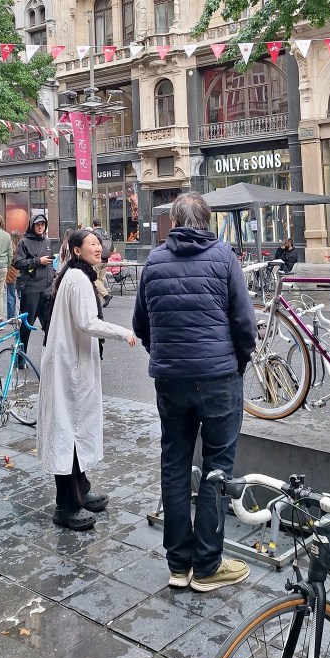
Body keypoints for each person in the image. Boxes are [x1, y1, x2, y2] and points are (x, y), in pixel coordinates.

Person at [132, 191, 257, 592]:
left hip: (170, 380)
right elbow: (244, 323)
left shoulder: (153, 261)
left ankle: (178, 565)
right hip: (219, 378)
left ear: (173, 222)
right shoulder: (224, 257)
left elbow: (141, 324)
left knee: (174, 464)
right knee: (218, 468)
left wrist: (165, 355)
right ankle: (207, 565)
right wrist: (238, 362)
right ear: (207, 220)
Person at [38, 229, 136, 531]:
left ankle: (81, 490)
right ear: (77, 250)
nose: (98, 247)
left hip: (72, 362)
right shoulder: (78, 278)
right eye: (91, 243)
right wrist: (123, 332)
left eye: (98, 243)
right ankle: (66, 505)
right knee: (68, 430)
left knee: (75, 428)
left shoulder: (77, 275)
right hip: (69, 366)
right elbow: (86, 322)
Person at [14, 213, 54, 352]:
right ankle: (20, 357)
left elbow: (50, 264)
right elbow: (18, 263)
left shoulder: (47, 242)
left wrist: (53, 276)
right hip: (31, 290)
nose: (40, 227)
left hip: (47, 290)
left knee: (50, 327)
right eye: (37, 224)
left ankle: (51, 357)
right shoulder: (24, 242)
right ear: (32, 225)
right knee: (26, 327)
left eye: (43, 224)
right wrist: (37, 261)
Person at [92, 217, 113, 304]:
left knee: (94, 279)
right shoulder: (106, 233)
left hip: (97, 259)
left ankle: (106, 295)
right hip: (106, 259)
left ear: (93, 224)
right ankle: (99, 302)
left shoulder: (93, 234)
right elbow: (112, 247)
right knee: (100, 280)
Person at [6, 231, 23, 320]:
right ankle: (23, 314)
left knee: (11, 295)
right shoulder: (22, 247)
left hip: (11, 273)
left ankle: (11, 317)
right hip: (20, 273)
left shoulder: (9, 248)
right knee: (21, 295)